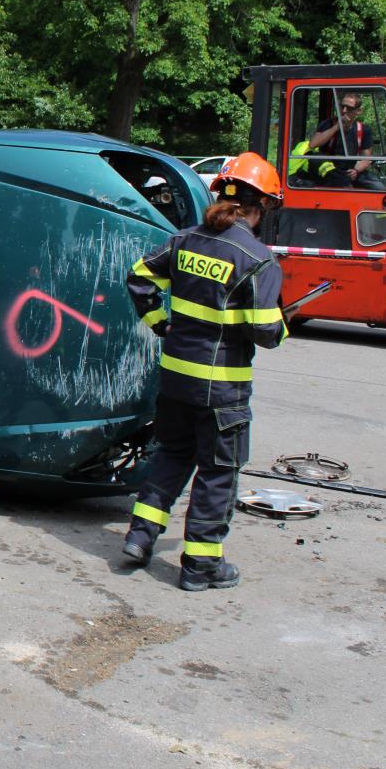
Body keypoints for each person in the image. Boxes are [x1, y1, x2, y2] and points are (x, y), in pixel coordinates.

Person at [122, 152, 287, 591]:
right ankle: (200, 566)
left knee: (171, 456)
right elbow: (265, 332)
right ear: (260, 206)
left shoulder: (185, 240)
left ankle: (140, 537)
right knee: (217, 472)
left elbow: (139, 277)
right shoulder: (258, 259)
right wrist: (281, 326)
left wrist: (161, 324)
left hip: (176, 378)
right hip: (223, 389)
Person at [310, 91, 375, 186]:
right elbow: (313, 144)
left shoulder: (364, 130)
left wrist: (356, 170)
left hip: (351, 169)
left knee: (377, 186)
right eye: (342, 106)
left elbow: (366, 159)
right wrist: (336, 127)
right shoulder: (328, 124)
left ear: (358, 111)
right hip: (329, 169)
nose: (344, 110)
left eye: (349, 108)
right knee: (340, 182)